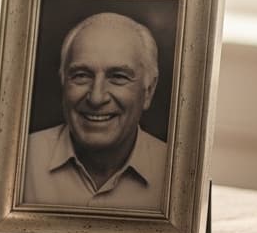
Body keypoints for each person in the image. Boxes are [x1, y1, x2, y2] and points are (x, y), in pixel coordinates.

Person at [22, 12, 167, 210]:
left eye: (118, 77)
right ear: (63, 83)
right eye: (81, 75)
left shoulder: (176, 173)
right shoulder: (21, 161)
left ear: (148, 90)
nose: (97, 98)